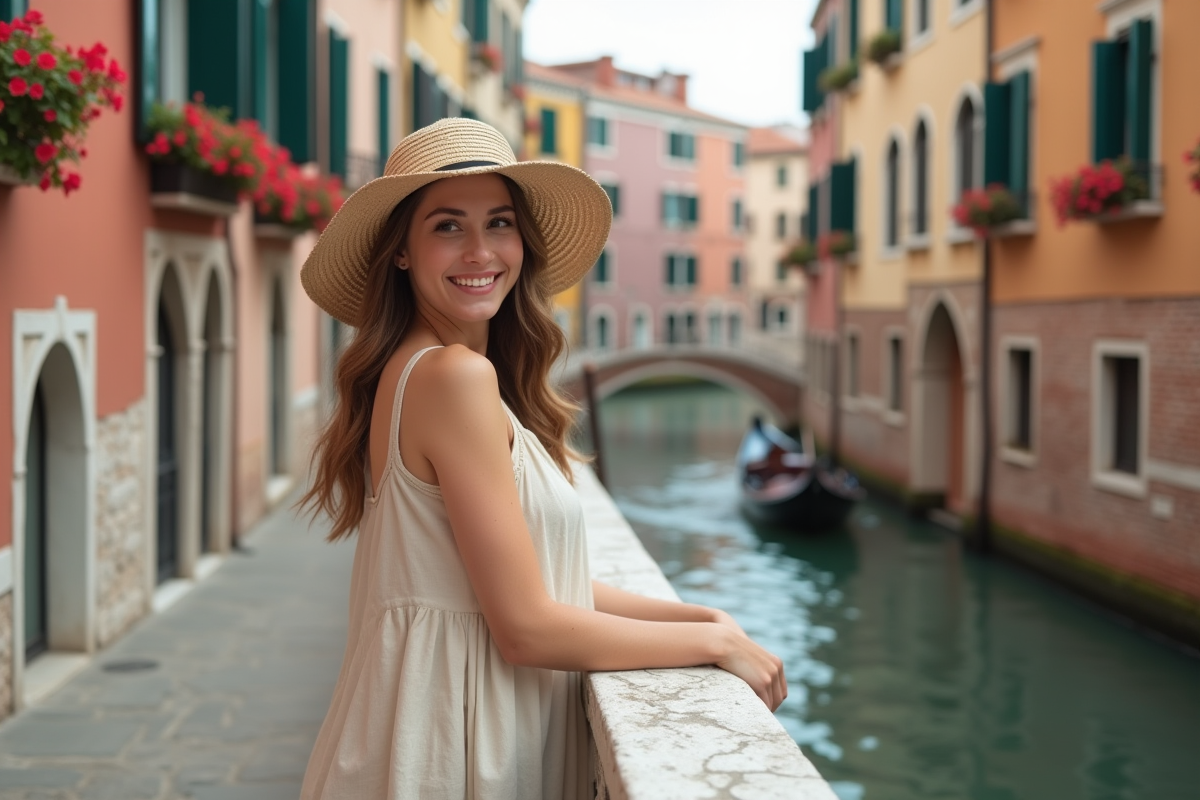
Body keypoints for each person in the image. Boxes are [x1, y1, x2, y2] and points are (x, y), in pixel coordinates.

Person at [297, 118, 786, 800]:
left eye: (499, 223)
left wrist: (698, 618)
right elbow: (526, 627)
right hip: (455, 749)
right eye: (447, 226)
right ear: (401, 251)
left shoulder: (421, 371)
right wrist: (714, 649)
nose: (480, 251)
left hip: (430, 734)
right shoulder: (451, 379)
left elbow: (543, 580)